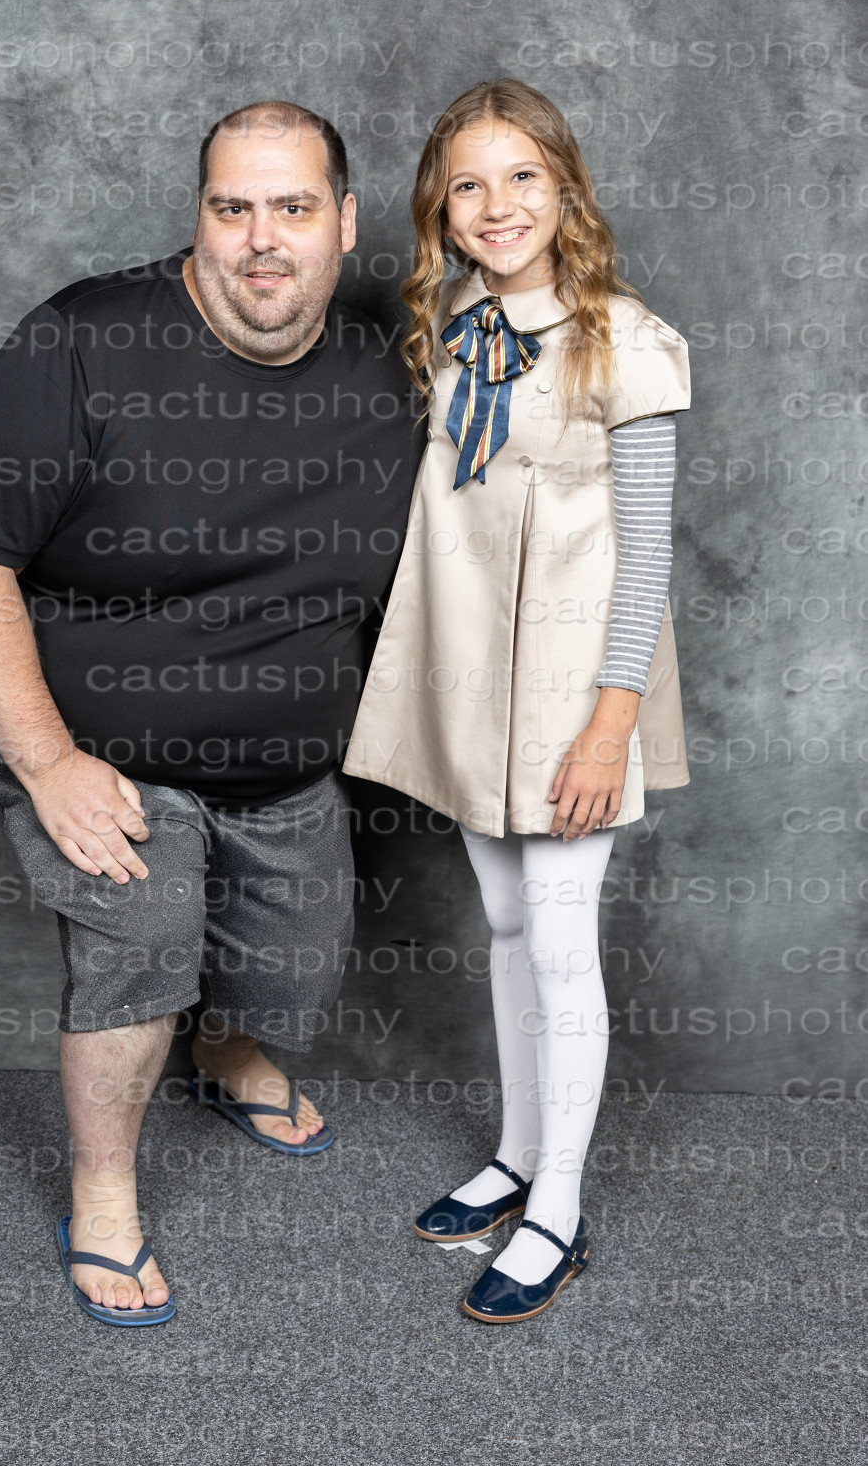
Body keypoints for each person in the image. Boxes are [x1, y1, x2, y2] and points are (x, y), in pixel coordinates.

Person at [0, 100, 419, 1326]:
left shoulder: (384, 377)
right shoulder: (82, 342)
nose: (261, 238)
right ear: (197, 216)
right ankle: (102, 1194)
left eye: (292, 207)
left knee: (297, 970)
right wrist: (48, 763)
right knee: (142, 944)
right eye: (230, 207)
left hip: (286, 764)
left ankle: (227, 1050)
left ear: (345, 223)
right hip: (99, 752)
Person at [342, 79, 692, 1323]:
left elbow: (642, 554)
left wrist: (608, 722)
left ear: (564, 189)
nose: (496, 206)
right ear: (440, 207)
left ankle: (559, 1205)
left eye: (522, 177)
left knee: (555, 936)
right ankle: (514, 1151)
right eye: (468, 184)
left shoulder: (622, 339)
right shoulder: (453, 324)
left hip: (573, 688)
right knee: (502, 924)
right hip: (472, 677)